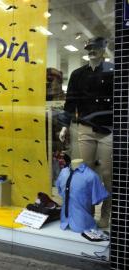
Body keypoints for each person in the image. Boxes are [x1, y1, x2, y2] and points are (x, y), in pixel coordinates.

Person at [58, 37, 113, 228]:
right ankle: (88, 213)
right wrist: (65, 125)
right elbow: (70, 102)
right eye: (89, 48)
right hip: (85, 128)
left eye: (95, 48)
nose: (92, 51)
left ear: (103, 49)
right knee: (87, 173)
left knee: (107, 173)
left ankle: (106, 213)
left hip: (109, 129)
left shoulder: (113, 70)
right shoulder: (77, 74)